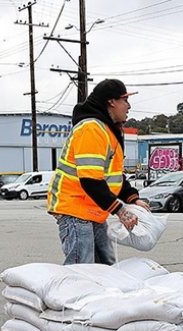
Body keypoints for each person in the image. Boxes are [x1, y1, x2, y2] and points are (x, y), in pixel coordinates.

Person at [47, 78, 149, 265]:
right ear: (111, 101)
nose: (129, 106)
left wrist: (132, 198)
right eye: (125, 100)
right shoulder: (91, 129)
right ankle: (75, 293)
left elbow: (114, 176)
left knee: (106, 266)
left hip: (93, 209)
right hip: (75, 208)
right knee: (82, 267)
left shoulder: (109, 131)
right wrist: (120, 211)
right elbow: (90, 181)